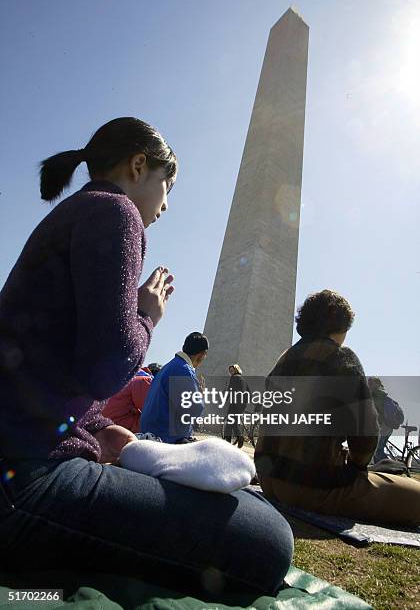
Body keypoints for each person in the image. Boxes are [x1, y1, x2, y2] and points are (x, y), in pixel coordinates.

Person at [0, 117, 293, 596]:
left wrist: (98, 428)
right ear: (139, 166)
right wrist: (147, 316)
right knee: (268, 538)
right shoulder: (115, 213)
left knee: (251, 514)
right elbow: (107, 367)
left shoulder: (76, 213)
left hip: (22, 465)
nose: (166, 203)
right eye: (167, 184)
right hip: (23, 485)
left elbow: (51, 371)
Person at [255, 289, 420, 526]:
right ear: (341, 326)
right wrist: (355, 468)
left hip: (270, 480)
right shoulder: (342, 359)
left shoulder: (283, 359)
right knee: (414, 498)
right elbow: (365, 436)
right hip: (311, 487)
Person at [140, 332, 208, 443]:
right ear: (202, 355)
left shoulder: (168, 367)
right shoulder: (184, 370)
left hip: (150, 431)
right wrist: (200, 396)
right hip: (165, 437)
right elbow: (194, 411)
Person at [102, 367, 154, 433]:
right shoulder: (142, 380)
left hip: (108, 429)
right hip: (127, 432)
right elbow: (153, 413)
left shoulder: (114, 380)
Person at [368, 377, 403, 463]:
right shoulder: (384, 396)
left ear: (377, 384)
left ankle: (389, 467)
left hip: (383, 426)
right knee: (379, 449)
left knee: (377, 450)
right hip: (389, 427)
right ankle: (381, 468)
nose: (369, 385)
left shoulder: (376, 395)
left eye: (370, 383)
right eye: (368, 383)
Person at [223, 364, 249, 449]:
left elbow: (230, 390)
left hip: (235, 403)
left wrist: (225, 399)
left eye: (232, 370)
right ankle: (239, 437)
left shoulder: (234, 378)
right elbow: (249, 392)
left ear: (236, 370)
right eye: (230, 371)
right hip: (242, 404)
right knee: (234, 422)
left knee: (229, 423)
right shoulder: (244, 380)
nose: (231, 372)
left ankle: (233, 440)